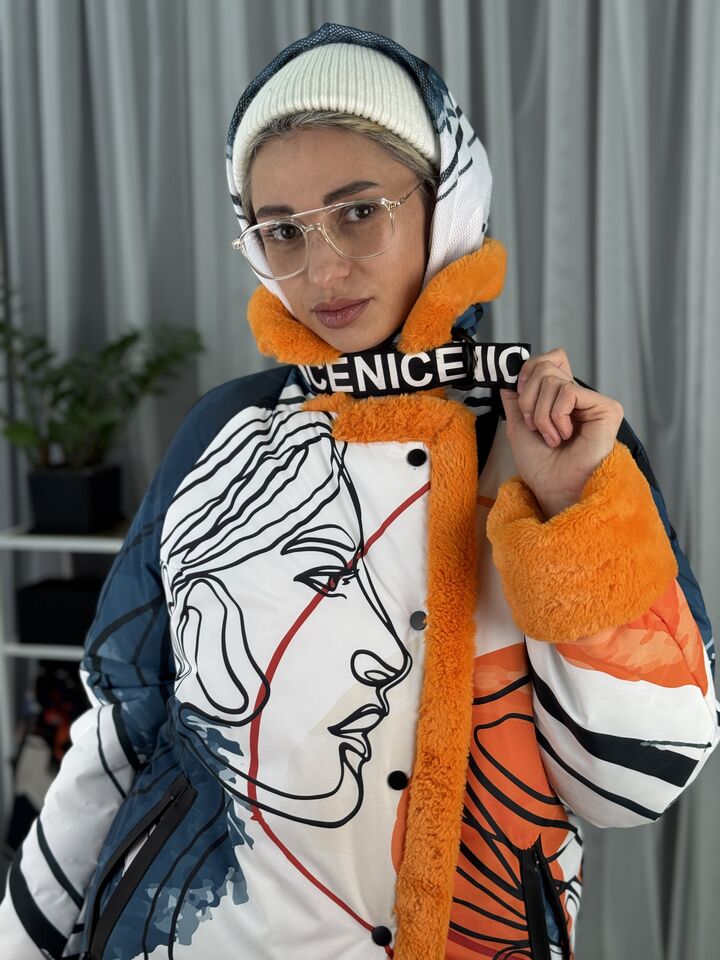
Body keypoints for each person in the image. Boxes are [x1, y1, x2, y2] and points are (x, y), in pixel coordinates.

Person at [1, 21, 717, 960]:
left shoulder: (555, 438)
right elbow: (121, 725)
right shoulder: (220, 433)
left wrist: (566, 513)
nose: (324, 270)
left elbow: (635, 783)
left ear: (446, 202)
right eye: (282, 232)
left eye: (359, 212)